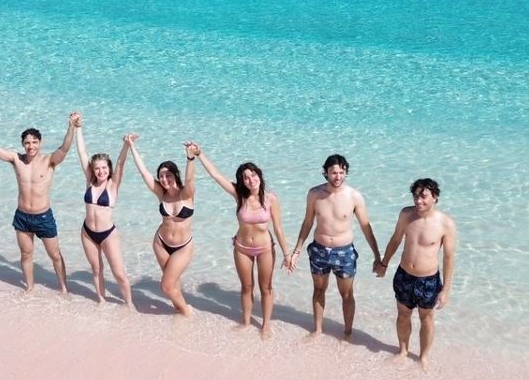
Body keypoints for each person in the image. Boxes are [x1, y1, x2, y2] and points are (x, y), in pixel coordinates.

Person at [0, 111, 79, 294]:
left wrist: (71, 126)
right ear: (22, 144)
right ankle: (30, 289)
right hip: (22, 216)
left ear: (40, 143)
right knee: (26, 254)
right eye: (27, 142)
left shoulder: (49, 161)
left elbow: (64, 148)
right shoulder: (16, 159)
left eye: (34, 142)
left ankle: (64, 289)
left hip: (43, 217)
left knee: (55, 255)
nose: (30, 146)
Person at [193, 143, 291, 338]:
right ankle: (246, 322)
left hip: (265, 249)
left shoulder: (271, 199)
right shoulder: (239, 196)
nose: (250, 179)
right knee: (246, 287)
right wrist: (199, 154)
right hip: (242, 248)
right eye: (246, 177)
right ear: (242, 181)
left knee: (266, 288)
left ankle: (266, 325)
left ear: (259, 176)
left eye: (253, 175)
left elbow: (278, 229)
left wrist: (287, 254)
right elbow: (216, 175)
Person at [286, 154, 381, 339]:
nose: (337, 176)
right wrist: (296, 250)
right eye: (333, 172)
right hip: (319, 249)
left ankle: (347, 333)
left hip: (344, 252)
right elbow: (307, 223)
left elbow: (365, 227)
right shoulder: (314, 194)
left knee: (346, 294)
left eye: (341, 172)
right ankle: (318, 329)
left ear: (346, 173)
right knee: (319, 290)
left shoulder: (354, 196)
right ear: (325, 173)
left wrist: (377, 256)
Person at [375, 178, 458, 369]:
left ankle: (423, 357)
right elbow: (396, 239)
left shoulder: (446, 224)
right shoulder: (406, 215)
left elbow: (448, 258)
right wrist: (384, 263)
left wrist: (445, 289)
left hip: (428, 280)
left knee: (426, 319)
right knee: (403, 315)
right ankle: (403, 351)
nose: (418, 201)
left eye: (424, 196)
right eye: (415, 196)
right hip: (404, 275)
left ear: (434, 197)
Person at [127, 135, 197, 316]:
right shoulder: (161, 193)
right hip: (161, 243)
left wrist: (190, 158)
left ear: (175, 175)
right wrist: (131, 146)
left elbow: (190, 180)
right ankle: (178, 313)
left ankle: (186, 312)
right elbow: (143, 173)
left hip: (183, 247)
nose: (164, 179)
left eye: (168, 175)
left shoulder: (186, 194)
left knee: (166, 285)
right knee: (173, 283)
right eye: (161, 176)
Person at [75, 119, 134, 309]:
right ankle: (101, 301)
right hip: (87, 232)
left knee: (119, 273)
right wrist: (78, 129)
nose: (100, 171)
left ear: (109, 169)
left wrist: (126, 145)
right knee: (96, 269)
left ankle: (129, 305)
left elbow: (121, 162)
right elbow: (82, 153)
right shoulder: (89, 181)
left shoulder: (113, 185)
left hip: (108, 234)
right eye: (97, 168)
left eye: (104, 168)